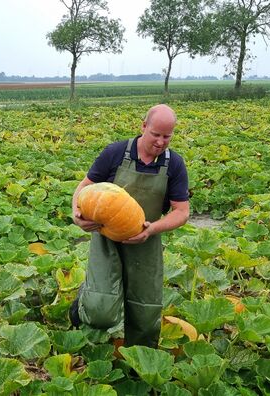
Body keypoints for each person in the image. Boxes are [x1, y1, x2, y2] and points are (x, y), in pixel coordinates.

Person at [70, 104, 190, 348]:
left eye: (167, 136)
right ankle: (81, 304)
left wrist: (152, 229)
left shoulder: (174, 164)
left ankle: (138, 363)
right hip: (107, 238)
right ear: (143, 126)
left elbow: (182, 212)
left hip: (146, 240)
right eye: (156, 134)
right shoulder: (115, 153)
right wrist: (77, 214)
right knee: (100, 311)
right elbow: (84, 187)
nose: (160, 142)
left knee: (146, 315)